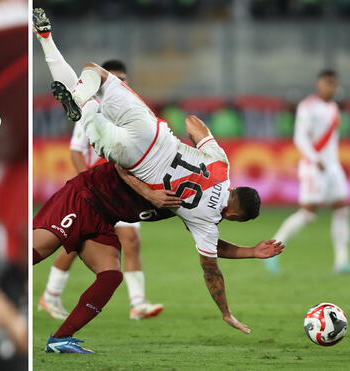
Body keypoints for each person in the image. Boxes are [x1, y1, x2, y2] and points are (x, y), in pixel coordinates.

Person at [32, 7, 284, 354]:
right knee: (34, 253)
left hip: (152, 136)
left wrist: (200, 138)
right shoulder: (207, 220)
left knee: (94, 74)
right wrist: (227, 309)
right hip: (100, 183)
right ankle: (80, 103)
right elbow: (212, 268)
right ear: (235, 216)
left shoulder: (222, 167)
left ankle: (59, 340)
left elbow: (194, 121)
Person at [36, 49, 162, 321]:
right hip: (98, 189)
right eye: (114, 79)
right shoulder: (91, 110)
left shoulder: (131, 113)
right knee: (72, 241)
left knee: (131, 240)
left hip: (125, 189)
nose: (120, 83)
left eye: (123, 79)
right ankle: (50, 295)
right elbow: (75, 151)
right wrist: (87, 188)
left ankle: (138, 303)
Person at [267, 70, 349, 274]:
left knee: (342, 210)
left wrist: (329, 162)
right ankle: (271, 250)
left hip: (333, 166)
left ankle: (341, 261)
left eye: (334, 84)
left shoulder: (333, 108)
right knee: (308, 214)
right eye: (328, 83)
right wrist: (315, 159)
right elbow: (300, 138)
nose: (331, 87)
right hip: (315, 167)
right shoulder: (308, 107)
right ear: (319, 83)